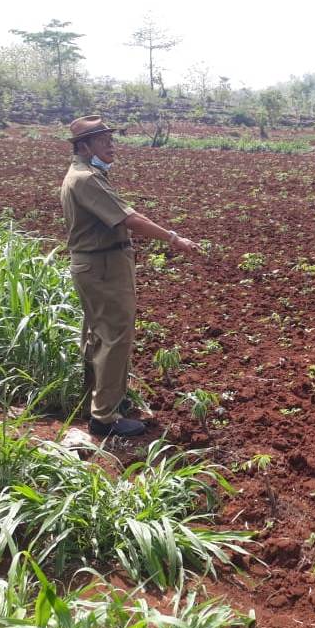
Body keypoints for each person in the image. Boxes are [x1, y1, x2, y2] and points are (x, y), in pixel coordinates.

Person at [60, 115, 200, 437]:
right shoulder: (86, 179)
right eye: (104, 140)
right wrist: (173, 238)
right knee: (115, 338)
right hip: (103, 266)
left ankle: (105, 400)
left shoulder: (83, 175)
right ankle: (105, 417)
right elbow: (130, 219)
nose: (112, 145)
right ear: (85, 145)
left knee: (100, 335)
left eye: (112, 139)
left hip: (98, 264)